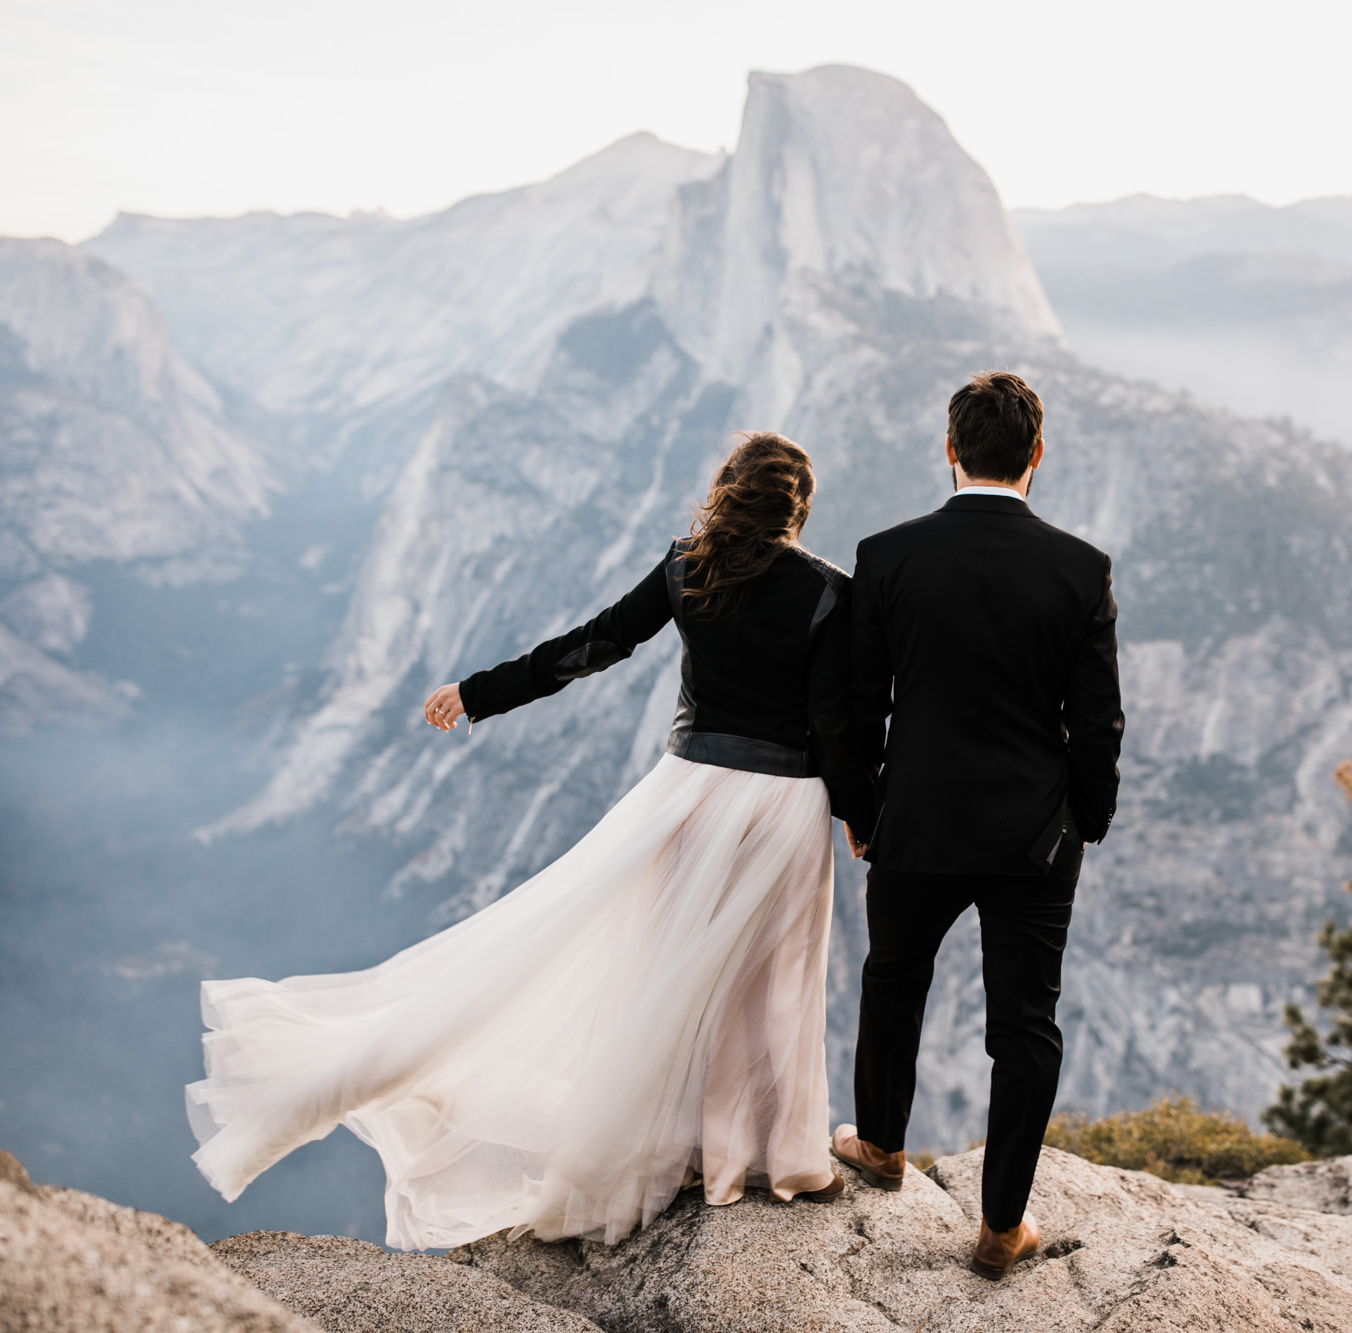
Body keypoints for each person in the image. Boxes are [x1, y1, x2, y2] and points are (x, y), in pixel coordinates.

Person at [185, 432, 873, 1250]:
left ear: (730, 491)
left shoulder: (688, 567)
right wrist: (863, 812)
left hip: (686, 796)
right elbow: (839, 723)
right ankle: (782, 1158)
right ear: (799, 510)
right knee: (776, 980)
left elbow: (591, 646)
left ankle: (688, 1146)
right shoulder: (833, 594)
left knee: (674, 976)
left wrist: (478, 693)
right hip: (784, 802)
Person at [829, 371, 1123, 1280]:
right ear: (1037, 453)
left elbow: (850, 707)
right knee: (1025, 1026)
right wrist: (1087, 821)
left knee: (893, 978)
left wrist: (862, 808)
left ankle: (880, 1145)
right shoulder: (1082, 568)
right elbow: (1099, 719)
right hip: (1036, 837)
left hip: (915, 821)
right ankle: (1000, 1228)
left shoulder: (886, 557)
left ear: (949, 449)